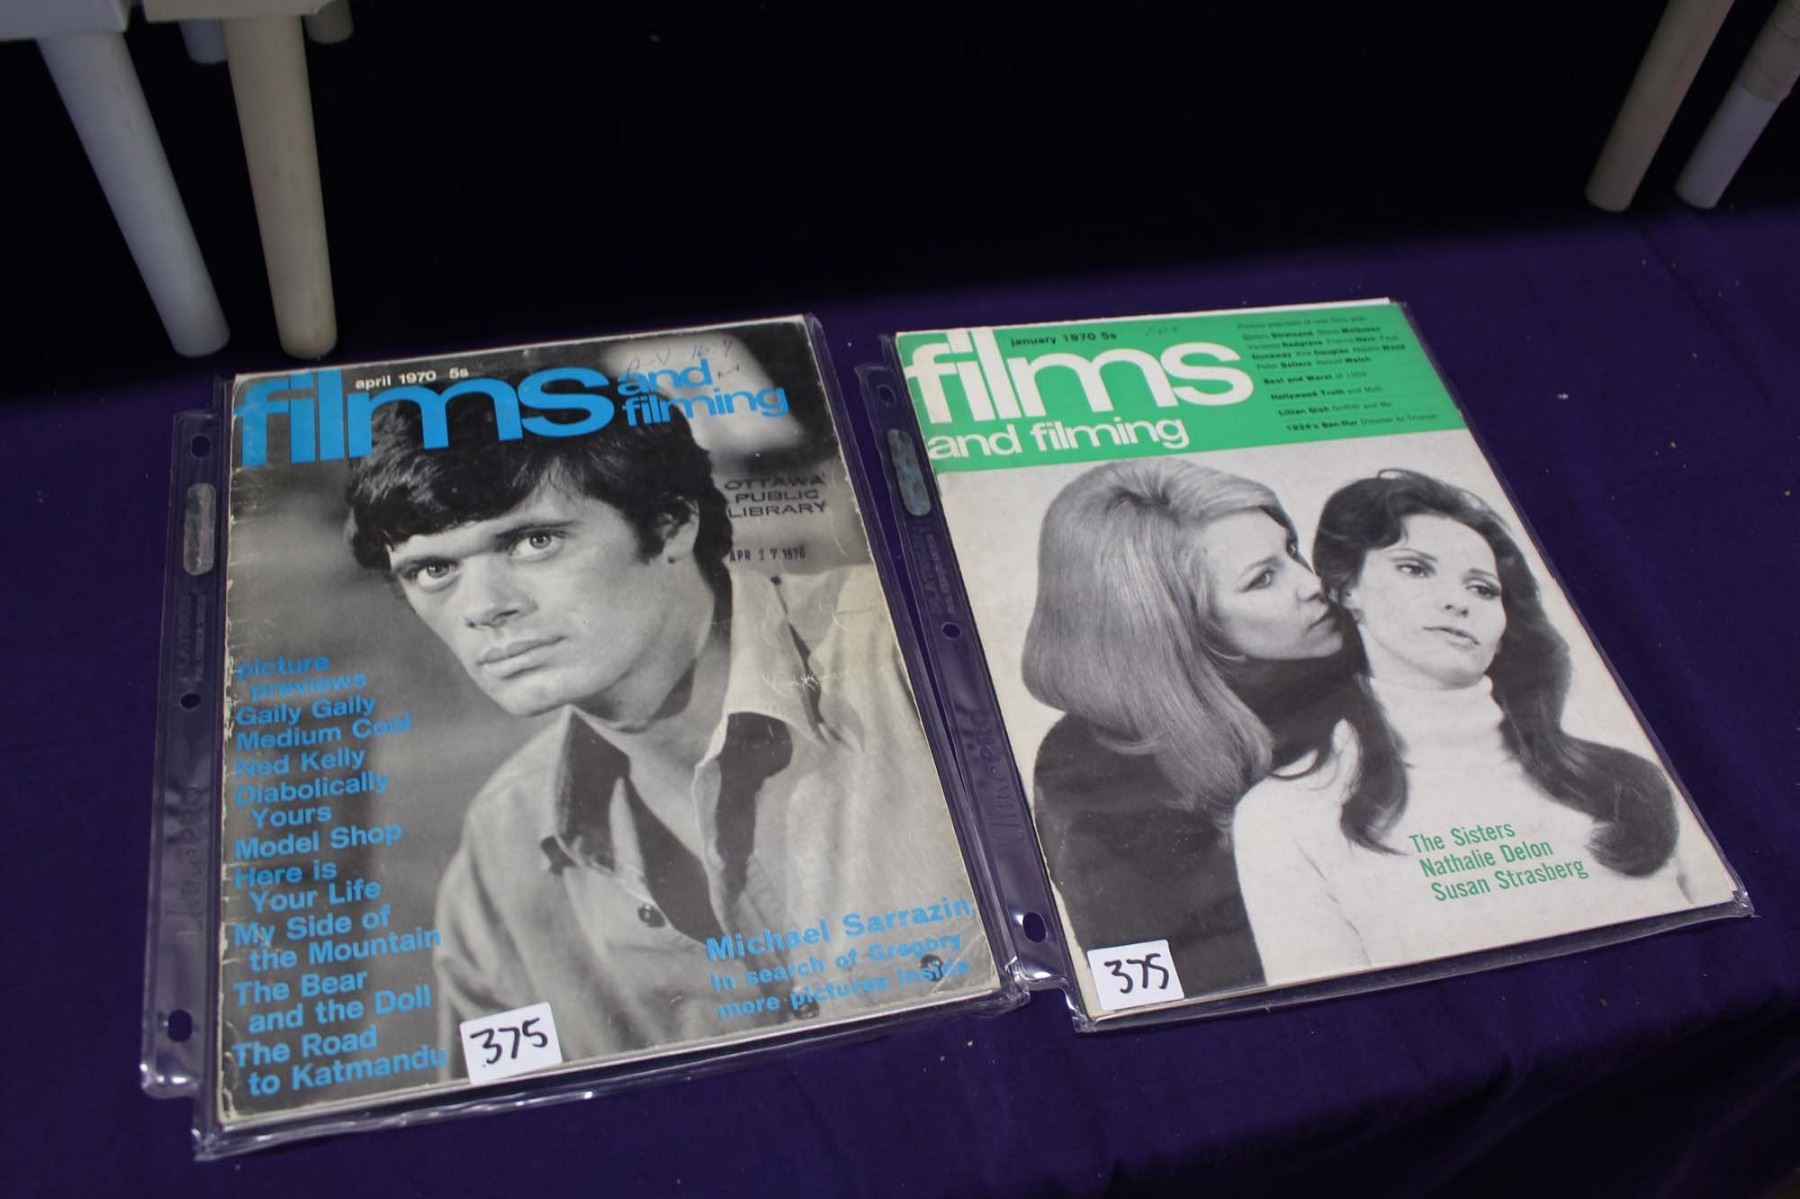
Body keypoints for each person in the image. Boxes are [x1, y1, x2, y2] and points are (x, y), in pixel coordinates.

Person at [345, 391, 988, 1064]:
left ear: (671, 524)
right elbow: (510, 1118)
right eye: (434, 570)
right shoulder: (499, 851)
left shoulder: (914, 655)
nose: (484, 607)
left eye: (534, 541)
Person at [1232, 469, 1733, 986]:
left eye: (1482, 588)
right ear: (1345, 589)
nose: (1458, 601)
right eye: (1415, 569)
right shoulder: (1282, 818)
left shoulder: (1628, 781)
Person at [1022, 458, 1349, 998]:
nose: (1315, 586)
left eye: (1291, 552)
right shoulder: (1086, 767)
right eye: (1263, 579)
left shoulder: (1363, 662)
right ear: (1176, 622)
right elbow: (1146, 993)